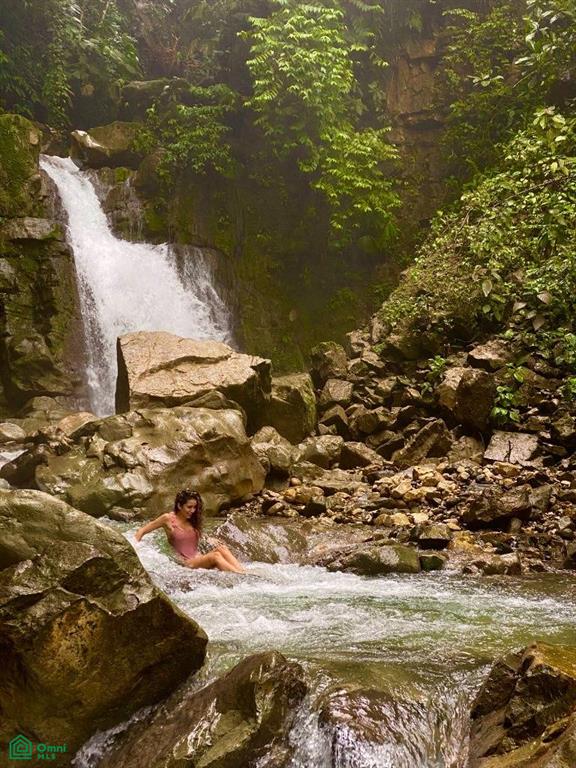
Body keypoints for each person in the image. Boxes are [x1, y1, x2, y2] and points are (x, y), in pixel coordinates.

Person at [134, 488, 246, 574]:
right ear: (179, 505)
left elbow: (190, 537)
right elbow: (142, 531)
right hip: (186, 563)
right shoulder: (167, 519)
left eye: (194, 507)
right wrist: (134, 548)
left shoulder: (192, 521)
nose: (192, 510)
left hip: (199, 558)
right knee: (215, 556)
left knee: (222, 548)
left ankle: (244, 573)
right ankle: (239, 576)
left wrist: (208, 538)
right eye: (189, 507)